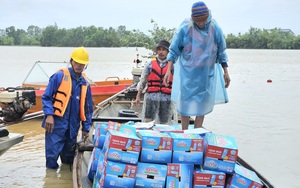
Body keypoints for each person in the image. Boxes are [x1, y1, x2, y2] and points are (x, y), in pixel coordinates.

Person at [163, 1, 231, 130]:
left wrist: (226, 72)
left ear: (208, 17)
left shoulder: (214, 27)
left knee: (202, 104)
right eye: (198, 21)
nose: (200, 23)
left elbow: (221, 51)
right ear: (193, 18)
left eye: (203, 20)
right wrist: (168, 70)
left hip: (206, 74)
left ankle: (197, 131)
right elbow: (174, 49)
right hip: (188, 73)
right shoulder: (186, 26)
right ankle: (184, 131)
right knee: (184, 103)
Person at [41, 47, 93, 169]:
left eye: (82, 63)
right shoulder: (59, 77)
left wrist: (86, 128)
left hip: (72, 129)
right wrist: (49, 115)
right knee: (51, 160)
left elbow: (88, 108)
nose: (79, 66)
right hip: (55, 126)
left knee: (69, 161)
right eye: (76, 62)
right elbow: (46, 97)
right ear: (71, 61)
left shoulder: (85, 84)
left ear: (85, 65)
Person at [135, 40, 176, 124]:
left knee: (164, 122)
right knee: (148, 120)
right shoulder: (150, 64)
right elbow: (143, 80)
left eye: (163, 50)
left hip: (166, 98)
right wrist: (138, 96)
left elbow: (177, 83)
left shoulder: (172, 66)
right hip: (151, 97)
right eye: (159, 49)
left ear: (168, 52)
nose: (161, 52)